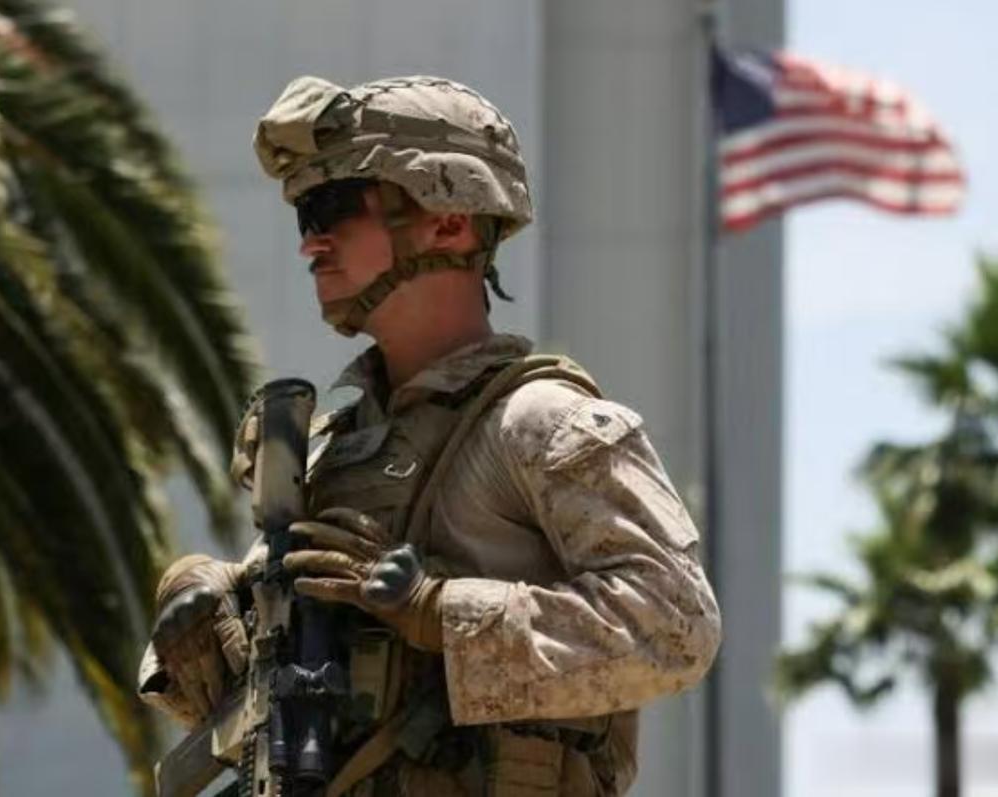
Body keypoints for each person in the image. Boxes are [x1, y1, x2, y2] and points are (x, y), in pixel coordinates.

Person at [138, 75, 721, 796]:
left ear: (449, 222)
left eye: (335, 208)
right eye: (304, 217)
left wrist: (439, 611)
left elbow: (675, 627)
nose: (312, 243)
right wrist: (211, 616)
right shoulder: (332, 448)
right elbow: (257, 697)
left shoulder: (540, 424)